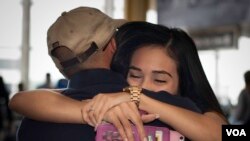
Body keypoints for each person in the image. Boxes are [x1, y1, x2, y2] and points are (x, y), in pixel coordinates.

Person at [9, 20, 228, 141]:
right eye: (135, 75)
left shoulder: (196, 114)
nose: (144, 86)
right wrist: (99, 109)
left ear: (184, 82)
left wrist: (138, 98)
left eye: (160, 80)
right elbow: (24, 100)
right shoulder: (107, 97)